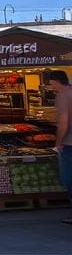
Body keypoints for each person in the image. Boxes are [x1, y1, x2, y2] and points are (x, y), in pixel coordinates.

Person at [46, 69, 72, 225]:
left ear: (57, 82)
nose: (51, 87)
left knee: (67, 178)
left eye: (51, 84)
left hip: (69, 143)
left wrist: (58, 143)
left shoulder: (63, 96)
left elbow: (63, 122)